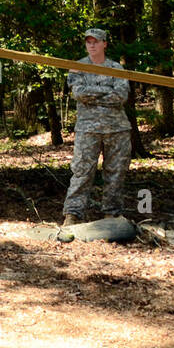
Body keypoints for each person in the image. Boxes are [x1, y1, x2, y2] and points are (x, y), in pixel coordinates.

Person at [62, 29, 132, 227]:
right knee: (82, 171)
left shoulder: (116, 68)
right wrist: (106, 91)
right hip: (88, 128)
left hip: (117, 128)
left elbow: (120, 96)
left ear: (104, 44)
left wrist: (92, 94)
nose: (92, 45)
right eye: (88, 42)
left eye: (96, 41)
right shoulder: (77, 67)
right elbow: (79, 94)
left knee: (116, 172)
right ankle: (73, 214)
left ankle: (112, 214)